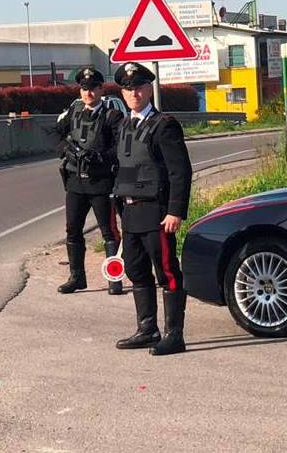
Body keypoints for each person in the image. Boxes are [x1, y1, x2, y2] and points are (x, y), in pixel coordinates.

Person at [112, 63, 193, 356]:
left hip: (157, 212)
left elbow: (179, 172)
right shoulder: (123, 126)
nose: (133, 93)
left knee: (168, 272)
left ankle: (175, 335)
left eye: (138, 87)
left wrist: (176, 211)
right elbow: (127, 168)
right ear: (121, 93)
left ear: (148, 89)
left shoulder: (164, 125)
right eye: (127, 89)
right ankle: (147, 329)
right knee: (135, 270)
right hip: (131, 212)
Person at [56, 67, 125, 295]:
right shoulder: (73, 112)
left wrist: (100, 157)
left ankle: (114, 279)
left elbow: (122, 147)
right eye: (84, 89)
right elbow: (55, 135)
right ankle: (76, 277)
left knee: (109, 232)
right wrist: (67, 151)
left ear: (100, 89)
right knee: (72, 230)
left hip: (101, 182)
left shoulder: (112, 115)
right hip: (75, 182)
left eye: (93, 88)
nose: (88, 93)